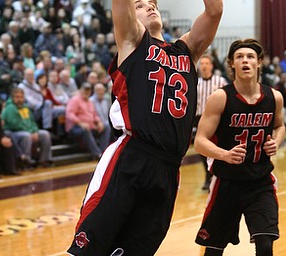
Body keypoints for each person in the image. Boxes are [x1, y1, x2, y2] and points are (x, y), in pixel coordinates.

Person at [67, 0, 223, 255]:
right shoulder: (132, 41)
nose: (150, 7)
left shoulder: (187, 50)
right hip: (130, 157)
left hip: (168, 167)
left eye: (153, 4)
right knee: (90, 248)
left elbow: (214, 11)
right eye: (140, 5)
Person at [194, 39, 286, 256]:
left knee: (265, 244)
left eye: (250, 57)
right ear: (232, 64)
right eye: (240, 57)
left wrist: (276, 141)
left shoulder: (274, 97)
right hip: (226, 183)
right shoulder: (220, 97)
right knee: (213, 250)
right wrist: (224, 154)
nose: (245, 60)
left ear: (259, 62)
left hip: (260, 181)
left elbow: (280, 125)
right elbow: (200, 141)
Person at [194, 54, 227, 190]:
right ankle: (208, 176)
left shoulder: (220, 81)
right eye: (202, 64)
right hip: (200, 117)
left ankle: (218, 175)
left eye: (206, 63)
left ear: (212, 66)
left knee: (218, 146)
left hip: (218, 118)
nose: (204, 66)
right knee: (202, 149)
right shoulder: (196, 83)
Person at [1, 88, 53, 168]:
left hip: (28, 130)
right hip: (13, 132)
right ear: (12, 98)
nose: (19, 99)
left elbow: (32, 121)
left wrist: (34, 131)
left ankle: (44, 160)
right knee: (26, 136)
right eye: (17, 97)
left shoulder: (25, 107)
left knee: (45, 134)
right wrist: (30, 132)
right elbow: (15, 125)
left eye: (21, 97)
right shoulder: (10, 108)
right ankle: (26, 162)